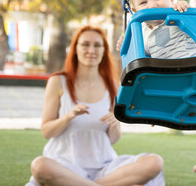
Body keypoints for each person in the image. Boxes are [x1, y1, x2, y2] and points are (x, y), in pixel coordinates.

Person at [26, 25, 165, 186]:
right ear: (75, 48)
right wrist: (69, 116)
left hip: (104, 168)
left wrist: (114, 123)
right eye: (85, 44)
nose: (91, 50)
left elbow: (113, 140)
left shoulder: (113, 85)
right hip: (63, 166)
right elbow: (46, 131)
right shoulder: (58, 82)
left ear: (104, 51)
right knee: (40, 166)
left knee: (154, 163)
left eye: (97, 45)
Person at [116, 0, 196, 173]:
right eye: (143, 2)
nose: (152, 5)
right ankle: (154, 113)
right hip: (171, 79)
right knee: (148, 84)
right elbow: (142, 56)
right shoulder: (142, 33)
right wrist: (126, 44)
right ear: (135, 10)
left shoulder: (178, 15)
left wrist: (182, 7)